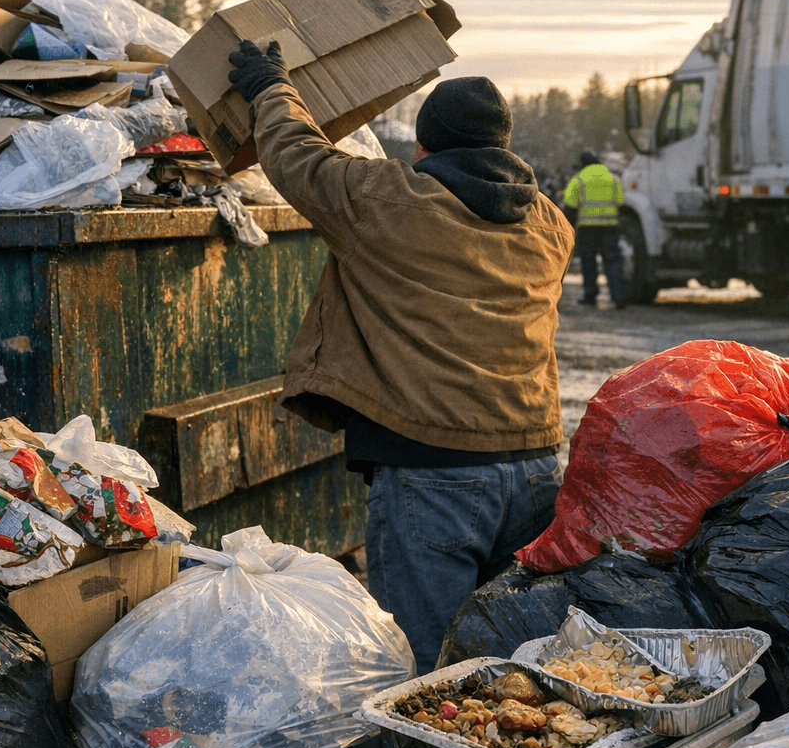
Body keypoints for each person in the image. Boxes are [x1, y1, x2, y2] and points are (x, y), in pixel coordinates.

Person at [227, 40, 574, 671]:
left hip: (433, 475)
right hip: (536, 471)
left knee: (423, 675)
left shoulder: (385, 200)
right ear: (503, 142)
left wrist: (269, 86)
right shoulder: (550, 223)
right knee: (520, 665)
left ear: (424, 146)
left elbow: (295, 156)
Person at [561, 150, 626, 308]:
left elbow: (569, 208)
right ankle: (618, 297)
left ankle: (590, 296)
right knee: (613, 261)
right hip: (610, 228)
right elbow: (621, 202)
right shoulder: (613, 179)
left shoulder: (579, 180)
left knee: (588, 263)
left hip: (587, 229)